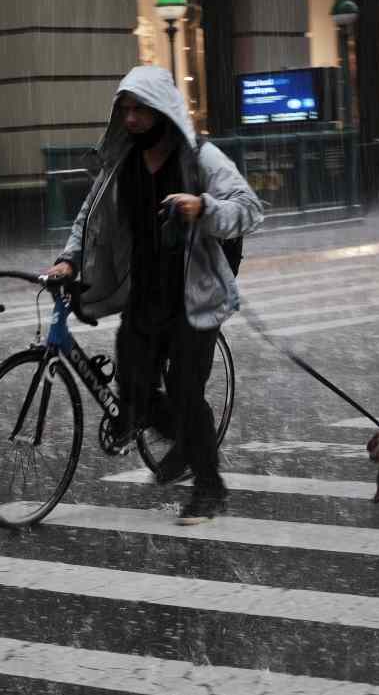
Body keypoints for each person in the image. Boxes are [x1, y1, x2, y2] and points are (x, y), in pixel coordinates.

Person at [44, 66, 263, 524]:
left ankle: (209, 488)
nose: (130, 120)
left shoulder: (200, 158)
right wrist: (69, 259)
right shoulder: (122, 165)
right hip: (144, 296)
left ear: (163, 111)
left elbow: (248, 209)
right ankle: (188, 439)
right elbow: (90, 217)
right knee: (135, 394)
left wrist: (202, 206)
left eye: (139, 110)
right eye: (124, 110)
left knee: (184, 391)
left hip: (192, 296)